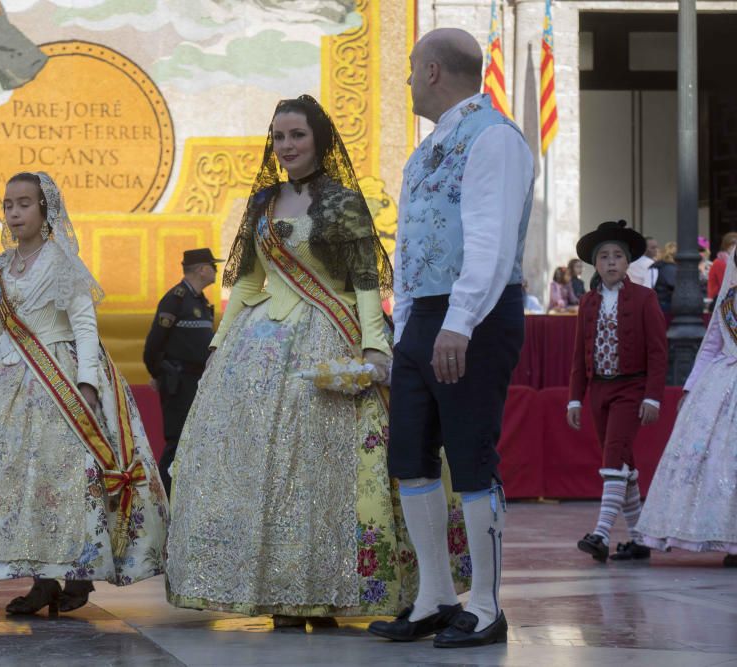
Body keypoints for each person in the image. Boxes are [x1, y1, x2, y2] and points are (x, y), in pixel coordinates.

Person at [167, 95, 466, 628]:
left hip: (327, 336)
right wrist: (218, 346)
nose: (287, 147)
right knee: (263, 469)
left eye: (297, 136)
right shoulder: (261, 203)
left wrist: (375, 347)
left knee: (324, 469)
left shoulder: (342, 202)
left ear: (319, 139)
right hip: (257, 347)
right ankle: (278, 591)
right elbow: (247, 283)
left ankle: (327, 589)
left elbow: (365, 282)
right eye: (279, 137)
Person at [0, 172, 169, 615]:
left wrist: (87, 384)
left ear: (45, 209)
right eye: (9, 204)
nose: (14, 212)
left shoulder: (62, 263)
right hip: (7, 382)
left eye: (24, 203)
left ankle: (79, 573)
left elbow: (85, 326)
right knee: (21, 484)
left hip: (61, 380)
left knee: (66, 480)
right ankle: (42, 579)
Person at [372, 28, 534, 648]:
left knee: (470, 456)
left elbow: (490, 243)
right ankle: (435, 595)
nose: (409, 78)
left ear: (434, 71)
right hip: (423, 317)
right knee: (410, 455)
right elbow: (412, 250)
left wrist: (459, 322)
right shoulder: (428, 149)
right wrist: (407, 328)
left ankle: (487, 604)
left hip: (477, 312)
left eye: (413, 68)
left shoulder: (494, 137)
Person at [567, 220, 667, 564]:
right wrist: (575, 398)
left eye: (618, 256)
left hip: (631, 388)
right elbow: (581, 354)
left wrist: (652, 396)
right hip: (598, 392)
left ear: (627, 264)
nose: (611, 262)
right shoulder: (588, 302)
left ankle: (601, 534)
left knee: (613, 458)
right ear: (596, 264)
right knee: (623, 462)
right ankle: (639, 539)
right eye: (604, 257)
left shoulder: (644, 298)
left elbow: (657, 351)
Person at [637, 247, 737, 567]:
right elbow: (711, 344)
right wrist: (691, 387)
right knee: (717, 463)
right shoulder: (728, 300)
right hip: (721, 384)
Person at [143, 248, 222, 497]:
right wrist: (159, 374)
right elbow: (153, 344)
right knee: (177, 441)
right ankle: (163, 499)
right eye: (213, 266)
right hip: (179, 381)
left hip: (197, 381)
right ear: (201, 269)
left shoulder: (200, 302)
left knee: (195, 439)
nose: (216, 271)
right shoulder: (175, 299)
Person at [708, 232, 737, 309]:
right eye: (732, 245)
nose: (735, 248)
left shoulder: (732, 261)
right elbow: (725, 284)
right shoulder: (720, 262)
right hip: (720, 300)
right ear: (726, 246)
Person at [653, 241, 677, 314]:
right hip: (666, 303)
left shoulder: (659, 265)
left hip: (660, 302)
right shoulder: (670, 268)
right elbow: (675, 285)